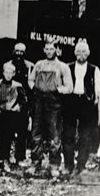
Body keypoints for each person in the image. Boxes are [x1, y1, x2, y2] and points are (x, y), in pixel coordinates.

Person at [27, 41, 73, 177]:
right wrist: (34, 87)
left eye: (51, 49)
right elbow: (30, 80)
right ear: (44, 50)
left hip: (54, 105)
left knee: (55, 135)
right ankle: (35, 163)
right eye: (46, 49)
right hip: (39, 103)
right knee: (36, 134)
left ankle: (54, 165)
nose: (49, 51)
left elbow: (69, 86)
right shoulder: (39, 65)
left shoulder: (62, 67)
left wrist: (57, 89)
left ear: (57, 50)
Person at [63, 41, 100, 176]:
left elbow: (98, 90)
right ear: (75, 53)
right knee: (68, 134)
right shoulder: (67, 67)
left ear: (88, 53)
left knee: (85, 135)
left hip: (86, 103)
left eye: (84, 52)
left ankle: (81, 165)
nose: (81, 55)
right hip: (71, 101)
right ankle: (68, 165)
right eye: (79, 52)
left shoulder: (94, 69)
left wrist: (94, 102)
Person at [0, 63, 27, 173]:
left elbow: (24, 100)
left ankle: (5, 160)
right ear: (3, 72)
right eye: (7, 72)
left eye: (11, 73)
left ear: (14, 74)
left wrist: (17, 107)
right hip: (0, 114)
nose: (9, 75)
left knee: (8, 138)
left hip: (11, 116)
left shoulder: (17, 86)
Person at [4, 42, 34, 165]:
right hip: (10, 103)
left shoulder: (30, 66)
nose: (19, 54)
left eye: (22, 51)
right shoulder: (7, 65)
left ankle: (19, 157)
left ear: (25, 53)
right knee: (8, 131)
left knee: (22, 132)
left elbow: (31, 86)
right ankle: (6, 156)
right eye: (17, 51)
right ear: (13, 51)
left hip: (23, 103)